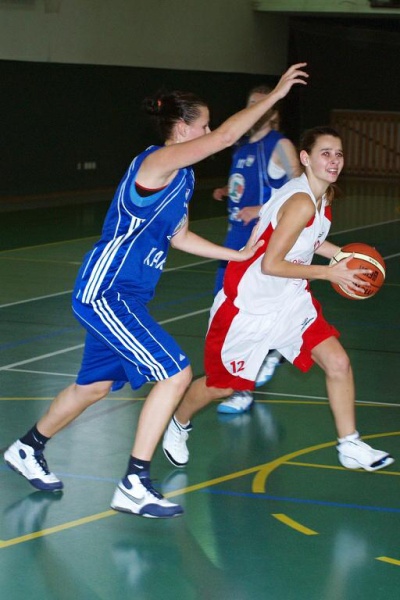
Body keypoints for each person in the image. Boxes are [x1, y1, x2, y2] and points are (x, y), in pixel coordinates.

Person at [3, 63, 309, 519]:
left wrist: (236, 255)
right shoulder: (157, 162)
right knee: (175, 372)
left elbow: (179, 236)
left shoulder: (182, 178)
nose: (209, 132)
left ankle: (28, 448)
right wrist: (276, 95)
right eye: (203, 125)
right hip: (106, 290)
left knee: (93, 387)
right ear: (182, 128)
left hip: (128, 295)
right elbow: (227, 137)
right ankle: (134, 482)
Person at [162, 126, 394, 473]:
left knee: (338, 362)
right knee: (221, 387)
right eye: (325, 154)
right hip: (247, 305)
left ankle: (349, 444)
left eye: (339, 154)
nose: (334, 161)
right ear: (305, 158)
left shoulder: (322, 197)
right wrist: (330, 273)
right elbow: (271, 264)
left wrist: (347, 257)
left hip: (288, 300)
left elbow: (311, 241)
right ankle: (178, 423)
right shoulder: (301, 202)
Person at [213, 86, 302, 415]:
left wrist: (262, 209)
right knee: (227, 311)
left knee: (243, 316)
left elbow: (301, 190)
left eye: (262, 103)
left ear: (274, 110)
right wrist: (228, 191)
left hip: (261, 239)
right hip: (235, 238)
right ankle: (273, 348)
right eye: (251, 103)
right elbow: (246, 186)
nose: (256, 108)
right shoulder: (242, 147)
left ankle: (243, 388)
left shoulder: (279, 145)